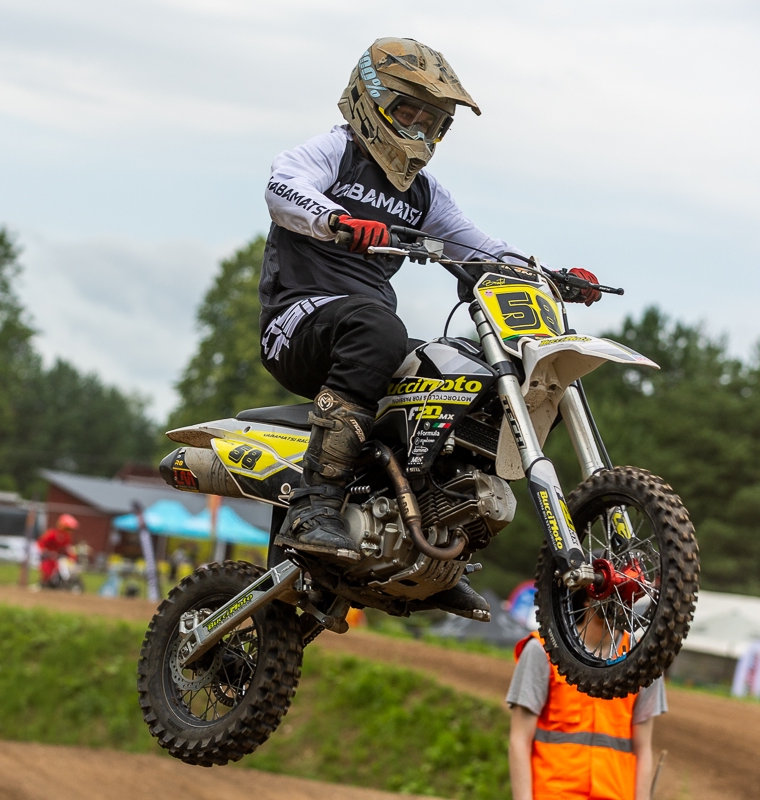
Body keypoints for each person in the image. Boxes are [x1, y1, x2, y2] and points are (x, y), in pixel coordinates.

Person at [259, 37, 601, 620]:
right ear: (370, 99)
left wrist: (548, 274)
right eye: (409, 113)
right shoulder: (336, 152)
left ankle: (433, 547)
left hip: (364, 331)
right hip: (299, 320)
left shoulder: (424, 193)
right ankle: (314, 505)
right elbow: (282, 187)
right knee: (380, 330)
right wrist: (336, 219)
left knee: (458, 376)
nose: (419, 129)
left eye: (433, 121)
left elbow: (480, 246)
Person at [507, 598, 666, 800]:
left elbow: (643, 749)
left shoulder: (644, 662)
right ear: (585, 594)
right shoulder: (544, 649)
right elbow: (519, 740)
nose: (621, 597)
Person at [38, 514, 78, 586]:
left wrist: (72, 557)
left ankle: (65, 583)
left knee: (68, 568)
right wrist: (44, 551)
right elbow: (41, 543)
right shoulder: (52, 533)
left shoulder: (67, 537)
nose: (68, 531)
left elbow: (68, 548)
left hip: (59, 558)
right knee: (48, 571)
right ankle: (45, 584)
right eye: (67, 528)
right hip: (49, 557)